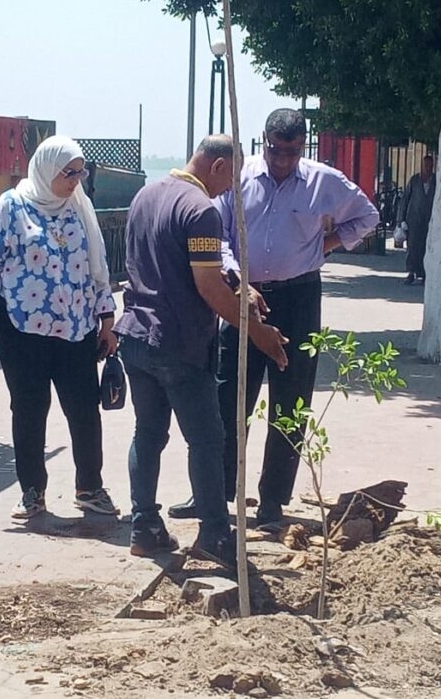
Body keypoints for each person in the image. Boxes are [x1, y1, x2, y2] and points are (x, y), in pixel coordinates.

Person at [169, 109, 379, 526]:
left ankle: (271, 501)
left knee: (291, 399)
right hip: (243, 298)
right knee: (227, 397)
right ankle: (215, 492)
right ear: (263, 140)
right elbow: (222, 236)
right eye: (274, 149)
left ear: (303, 145)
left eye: (291, 151)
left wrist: (328, 244)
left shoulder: (324, 181)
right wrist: (235, 277)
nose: (281, 159)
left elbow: (367, 216)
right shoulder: (240, 179)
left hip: (299, 297)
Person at [114, 134, 288, 564]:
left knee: (148, 434)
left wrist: (238, 286)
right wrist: (256, 332)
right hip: (179, 344)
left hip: (136, 337)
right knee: (208, 441)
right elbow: (206, 285)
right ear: (217, 167)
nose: (231, 189)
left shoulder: (145, 196)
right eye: (231, 178)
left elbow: (182, 266)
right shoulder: (201, 211)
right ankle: (214, 535)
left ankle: (144, 526)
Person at [0, 135, 120, 519]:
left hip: (75, 331)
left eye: (80, 172)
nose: (75, 180)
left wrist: (107, 320)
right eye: (67, 173)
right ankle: (32, 492)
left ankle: (90, 487)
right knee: (29, 410)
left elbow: (96, 270)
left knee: (84, 409)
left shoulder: (79, 209)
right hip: (21, 331)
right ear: (46, 170)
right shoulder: (11, 207)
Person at [398, 155, 436, 284]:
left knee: (427, 247)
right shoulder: (414, 180)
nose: (428, 168)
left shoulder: (436, 181)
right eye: (426, 165)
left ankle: (424, 273)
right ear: (422, 165)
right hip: (413, 219)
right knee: (412, 246)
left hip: (430, 220)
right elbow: (405, 200)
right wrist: (401, 220)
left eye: (430, 165)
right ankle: (411, 272)